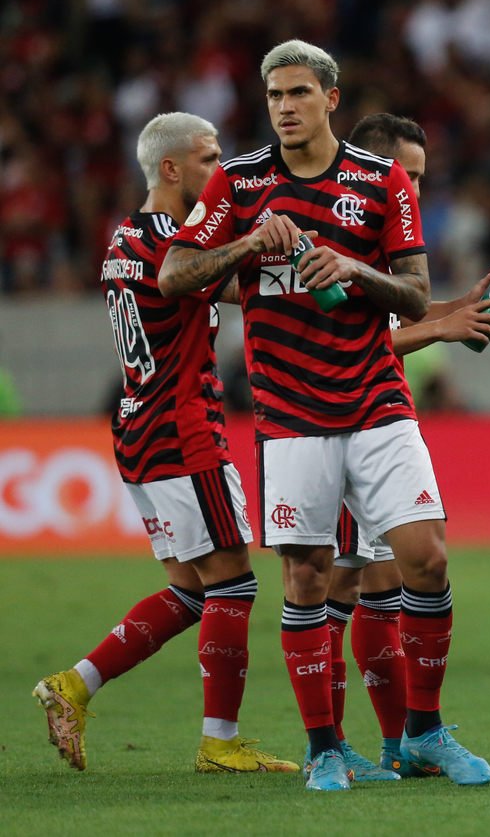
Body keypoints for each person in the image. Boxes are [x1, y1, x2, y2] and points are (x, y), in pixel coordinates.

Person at [159, 40, 490, 791]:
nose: (285, 106)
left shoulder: (379, 181)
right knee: (307, 575)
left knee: (427, 556)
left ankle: (425, 730)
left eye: (299, 92)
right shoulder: (240, 182)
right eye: (275, 94)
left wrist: (355, 269)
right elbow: (175, 273)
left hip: (376, 399)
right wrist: (246, 241)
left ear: (331, 98)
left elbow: (413, 290)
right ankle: (324, 747)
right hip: (289, 410)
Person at [34, 112, 296, 775]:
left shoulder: (126, 233)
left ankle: (76, 683)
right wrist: (255, 243)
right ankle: (220, 740)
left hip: (137, 425)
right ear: (172, 169)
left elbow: (223, 284)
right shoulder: (168, 242)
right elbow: (195, 275)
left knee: (189, 588)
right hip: (181, 427)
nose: (221, 171)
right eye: (210, 159)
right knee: (233, 583)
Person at [313, 113, 490, 781]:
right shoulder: (327, 230)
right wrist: (446, 327)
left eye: (420, 177)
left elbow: (395, 314)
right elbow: (341, 338)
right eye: (407, 175)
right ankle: (331, 746)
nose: (414, 189)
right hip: (329, 421)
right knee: (339, 582)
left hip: (382, 419)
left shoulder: (385, 235)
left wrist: (460, 303)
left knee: (392, 574)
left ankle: (404, 738)